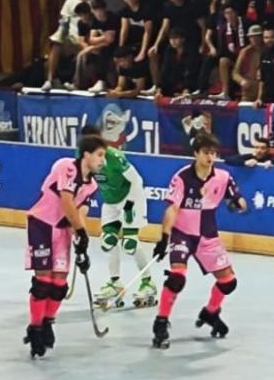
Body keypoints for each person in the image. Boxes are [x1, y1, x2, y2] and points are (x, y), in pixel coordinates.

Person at [152, 134, 246, 349]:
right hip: (183, 234)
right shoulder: (182, 177)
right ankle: (161, 322)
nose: (210, 157)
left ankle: (211, 312)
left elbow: (239, 199)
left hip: (208, 236)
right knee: (177, 278)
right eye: (206, 152)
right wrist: (164, 237)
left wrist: (239, 204)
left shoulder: (223, 177)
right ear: (196, 153)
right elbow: (172, 209)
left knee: (228, 282)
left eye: (213, 153)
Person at [23, 134, 104, 357]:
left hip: (62, 230)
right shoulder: (66, 166)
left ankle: (48, 322)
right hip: (42, 224)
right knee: (43, 281)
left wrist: (82, 239)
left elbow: (79, 212)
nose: (102, 161)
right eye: (99, 155)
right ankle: (35, 326)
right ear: (86, 154)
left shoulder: (92, 185)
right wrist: (79, 230)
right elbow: (66, 201)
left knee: (59, 285)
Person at [79, 117, 155, 311]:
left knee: (130, 244)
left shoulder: (114, 156)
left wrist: (129, 205)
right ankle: (115, 283)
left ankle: (148, 283)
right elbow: (83, 182)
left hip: (131, 199)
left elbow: (137, 181)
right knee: (108, 241)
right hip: (110, 202)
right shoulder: (83, 157)